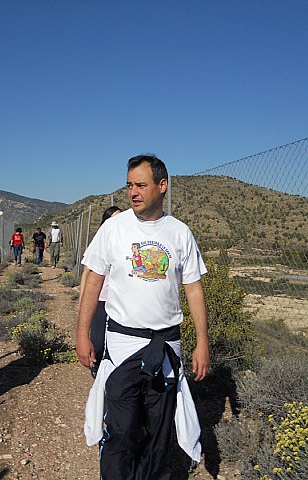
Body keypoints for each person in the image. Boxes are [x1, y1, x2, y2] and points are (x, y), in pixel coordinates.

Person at [76, 155, 209, 479]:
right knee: (121, 430)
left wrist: (202, 342)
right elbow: (93, 280)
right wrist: (82, 334)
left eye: (141, 184)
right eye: (129, 185)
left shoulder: (180, 233)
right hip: (122, 345)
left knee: (158, 433)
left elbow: (193, 288)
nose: (133, 192)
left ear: (162, 186)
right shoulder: (113, 229)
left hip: (165, 347)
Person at [78, 205, 122, 378]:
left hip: (120, 300)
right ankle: (96, 368)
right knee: (98, 339)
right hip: (101, 298)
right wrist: (82, 299)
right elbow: (87, 272)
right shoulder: (99, 242)